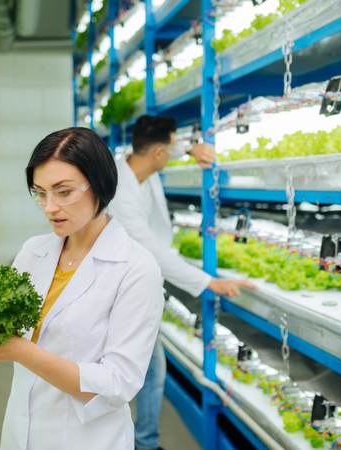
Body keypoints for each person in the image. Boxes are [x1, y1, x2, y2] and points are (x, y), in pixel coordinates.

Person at [0, 127, 165, 450]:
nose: (49, 207)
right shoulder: (33, 252)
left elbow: (117, 383)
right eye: (40, 193)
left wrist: (19, 351)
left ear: (99, 184)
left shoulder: (136, 269)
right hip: (20, 434)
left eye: (63, 192)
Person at [109, 115, 256, 450]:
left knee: (148, 373)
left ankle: (143, 441)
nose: (175, 150)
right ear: (159, 152)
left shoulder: (141, 165)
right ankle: (139, 443)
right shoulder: (120, 190)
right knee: (142, 373)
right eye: (173, 144)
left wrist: (192, 149)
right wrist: (208, 282)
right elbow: (151, 250)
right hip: (121, 294)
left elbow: (168, 151)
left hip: (138, 290)